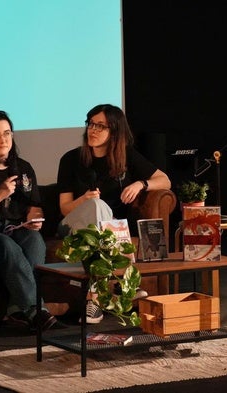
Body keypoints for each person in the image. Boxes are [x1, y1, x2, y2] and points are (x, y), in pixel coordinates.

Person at [57, 103, 171, 323]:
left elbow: (165, 180)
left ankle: (94, 300)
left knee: (103, 216)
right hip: (72, 227)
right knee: (96, 206)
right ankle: (124, 283)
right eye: (91, 123)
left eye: (101, 126)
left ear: (115, 132)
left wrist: (140, 184)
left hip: (108, 232)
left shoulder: (125, 156)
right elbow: (64, 208)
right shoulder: (71, 159)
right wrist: (85, 200)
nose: (93, 130)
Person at [0, 110, 57, 332]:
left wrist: (35, 219)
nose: (2, 139)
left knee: (35, 241)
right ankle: (37, 310)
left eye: (7, 133)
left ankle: (17, 309)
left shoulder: (23, 168)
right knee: (8, 246)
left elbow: (34, 205)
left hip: (17, 226)